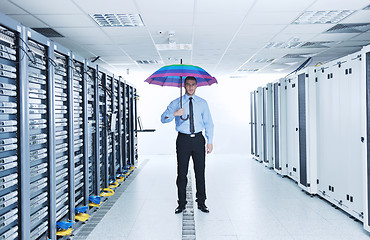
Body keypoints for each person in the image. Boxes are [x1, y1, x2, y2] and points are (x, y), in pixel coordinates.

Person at [161, 76, 214, 214]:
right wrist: (174, 113)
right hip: (183, 140)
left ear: (197, 86)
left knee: (200, 172)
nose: (190, 87)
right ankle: (181, 203)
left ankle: (201, 202)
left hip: (198, 139)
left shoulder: (202, 103)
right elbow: (163, 119)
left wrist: (210, 141)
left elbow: (209, 123)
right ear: (184, 86)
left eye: (193, 85)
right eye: (188, 84)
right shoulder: (176, 102)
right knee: (182, 173)